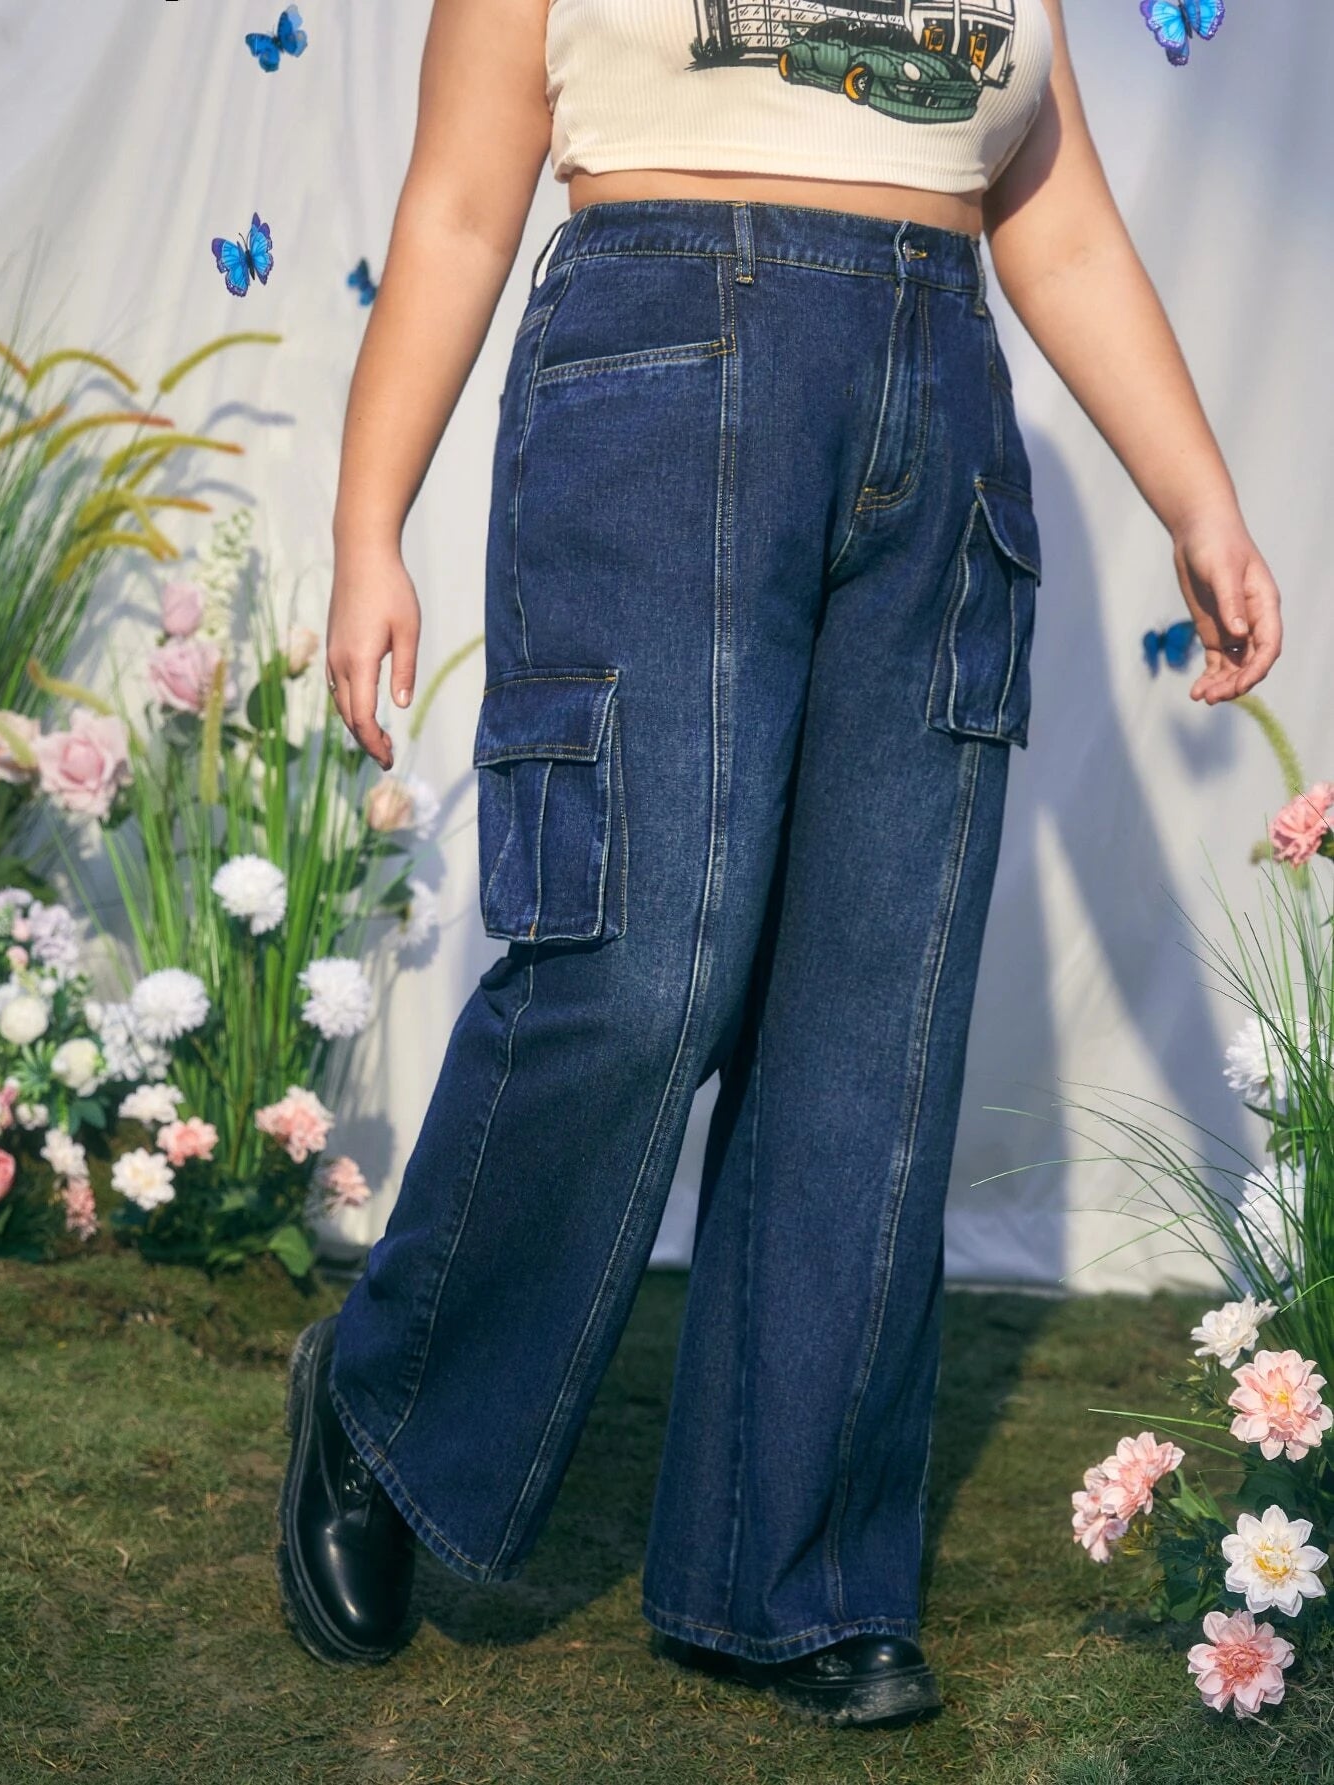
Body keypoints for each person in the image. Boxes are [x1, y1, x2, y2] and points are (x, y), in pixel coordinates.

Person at [275, 0, 1283, 1730]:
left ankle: (788, 1566)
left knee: (869, 1017)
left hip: (940, 414)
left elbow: (1054, 216)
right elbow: (459, 200)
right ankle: (385, 1405)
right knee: (638, 962)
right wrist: (371, 524)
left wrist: (1200, 497)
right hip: (655, 379)